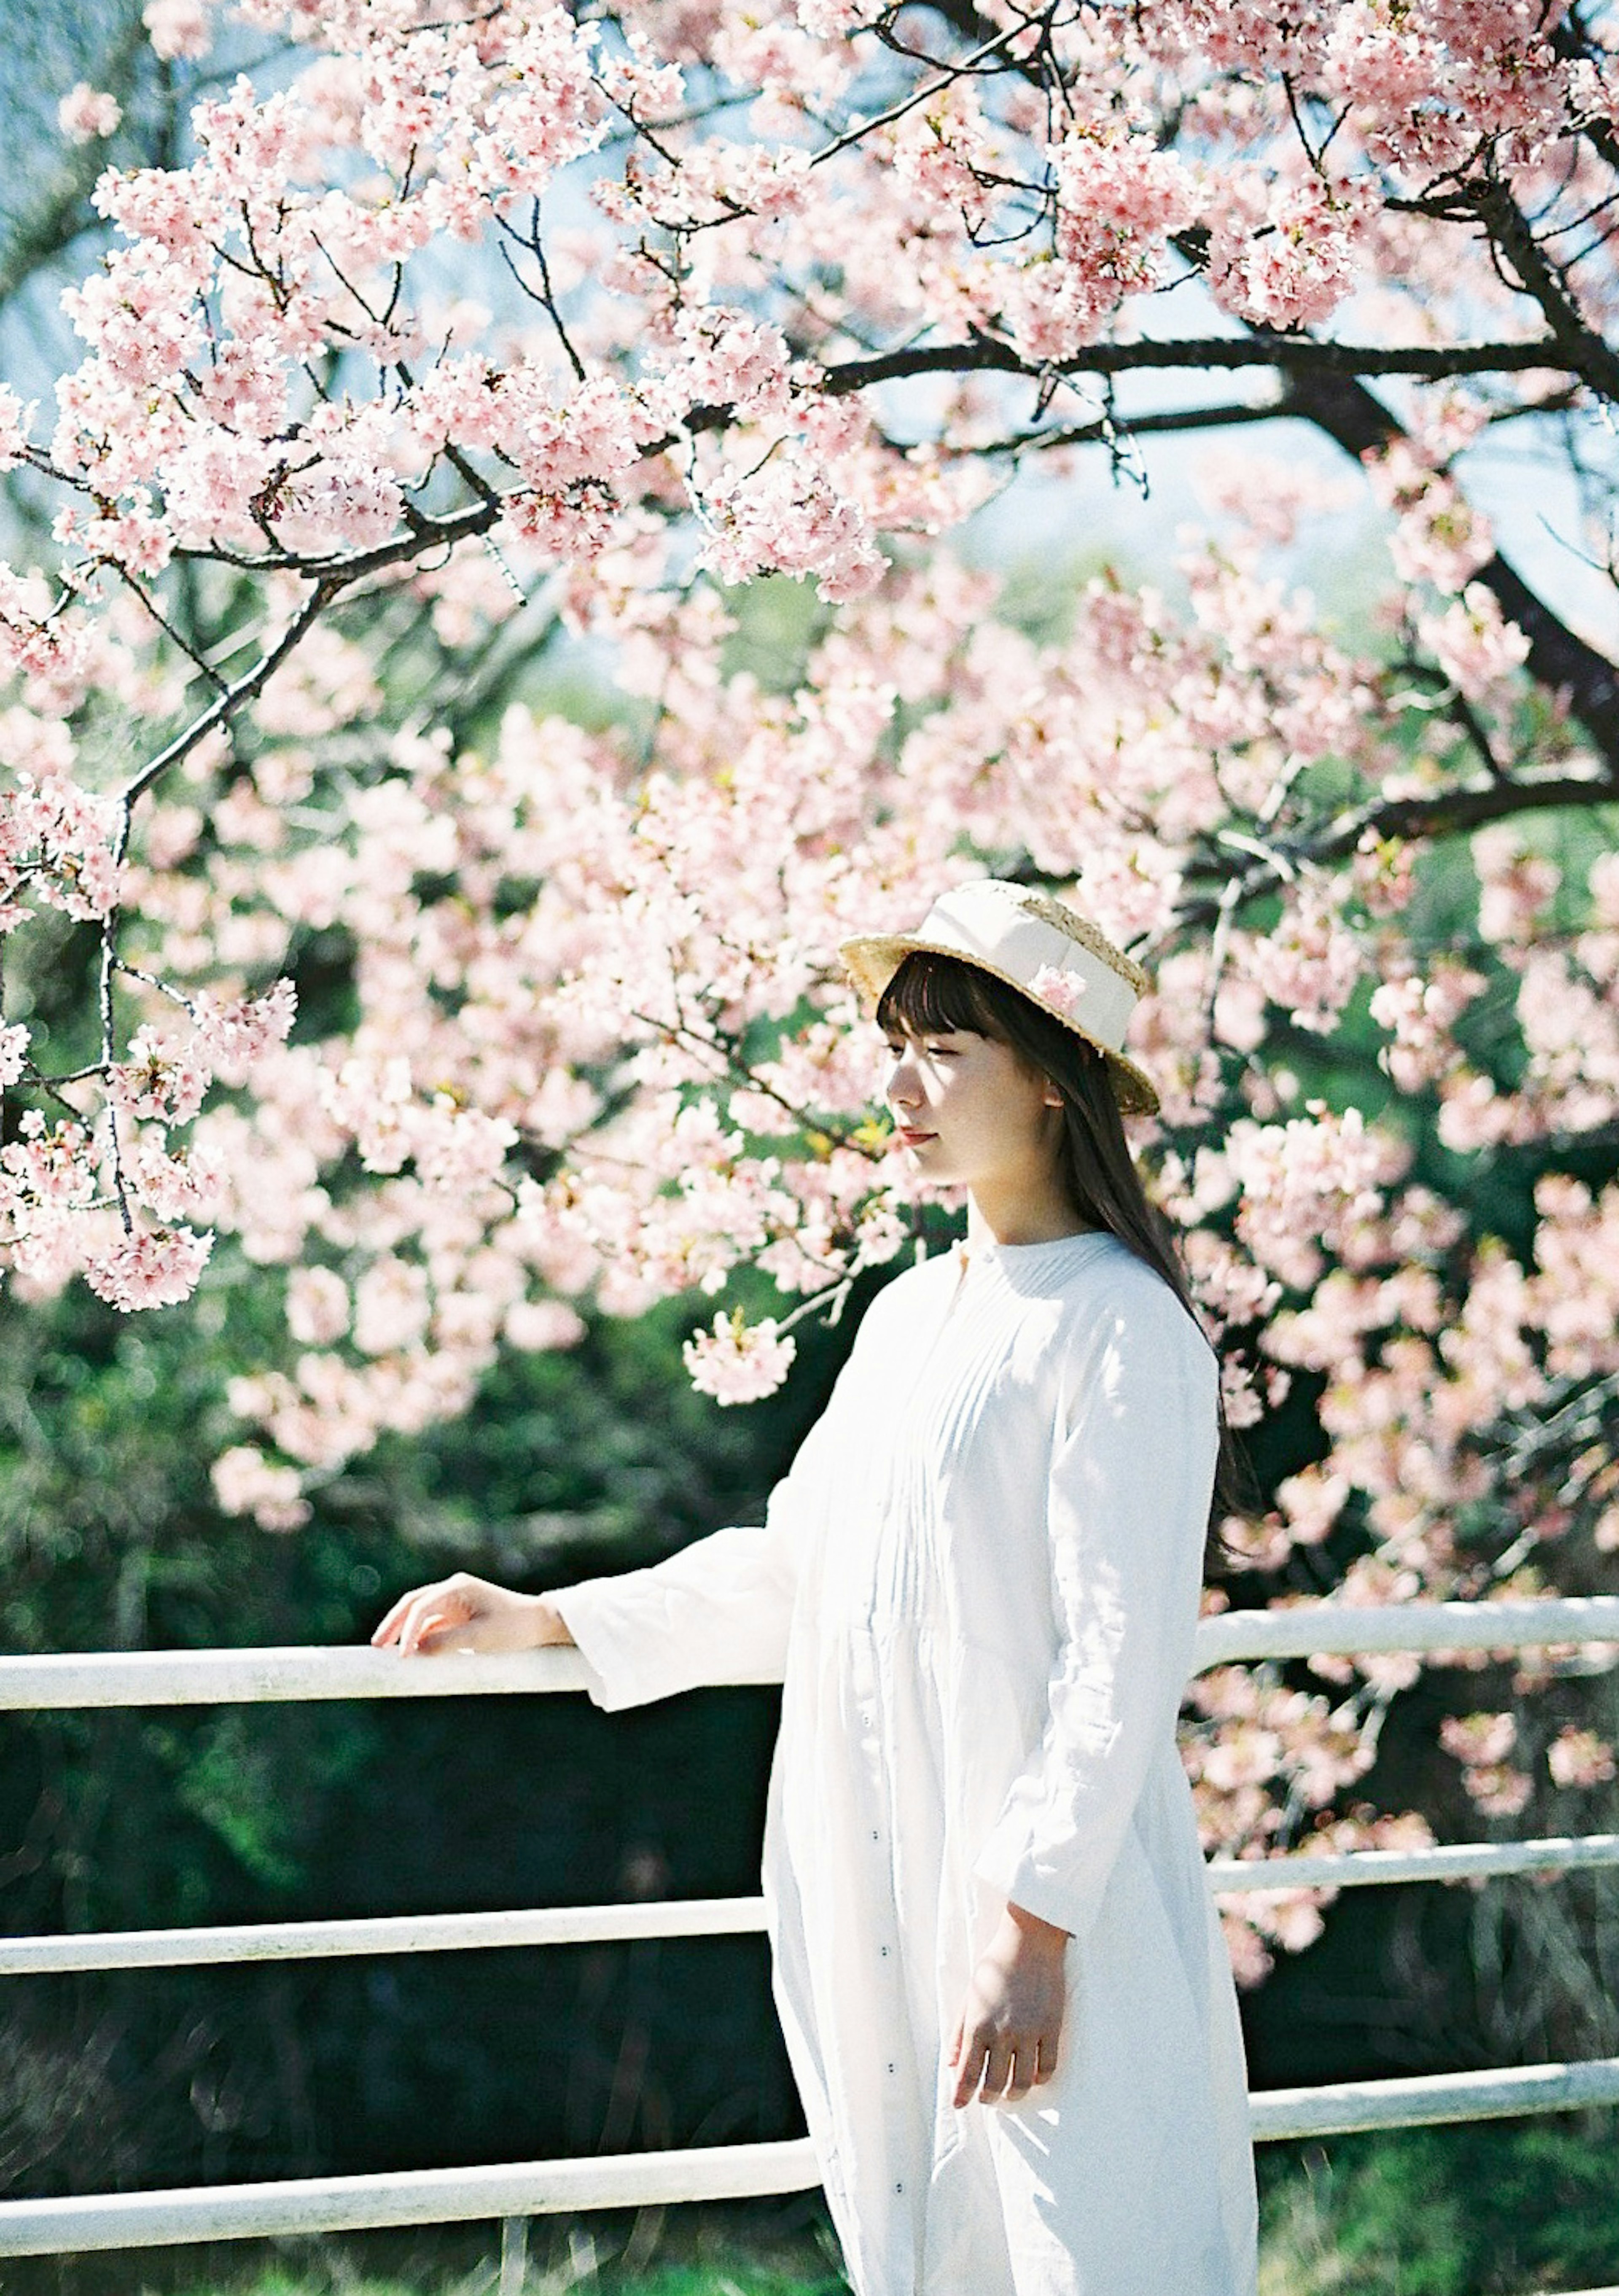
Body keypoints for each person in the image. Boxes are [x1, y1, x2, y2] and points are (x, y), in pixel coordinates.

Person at [373, 878, 1260, 2296]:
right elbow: (806, 1569)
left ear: (1047, 1080)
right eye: (893, 1044)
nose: (897, 1085)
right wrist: (556, 1620)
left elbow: (1121, 1654)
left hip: (1042, 1905)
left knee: (1095, 2241)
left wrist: (1034, 1929)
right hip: (883, 1872)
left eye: (944, 1052)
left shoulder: (1122, 1329)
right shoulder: (911, 1316)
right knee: (929, 2248)